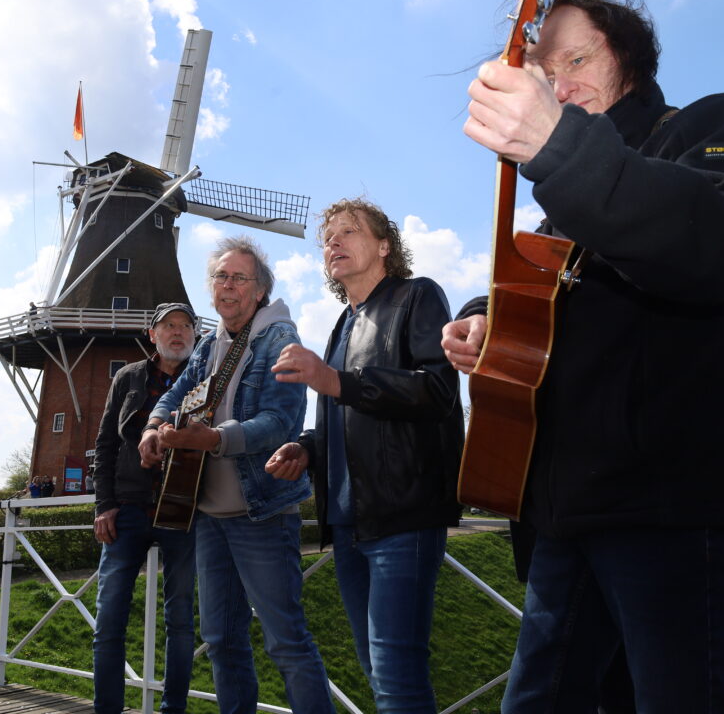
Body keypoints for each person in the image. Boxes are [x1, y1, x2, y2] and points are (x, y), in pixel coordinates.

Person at [442, 0, 724, 712]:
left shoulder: (710, 124)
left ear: (628, 59)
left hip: (668, 510)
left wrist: (559, 147)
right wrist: (484, 321)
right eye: (543, 70)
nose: (557, 86)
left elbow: (721, 245)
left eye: (577, 60)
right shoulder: (562, 200)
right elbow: (540, 292)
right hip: (563, 515)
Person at [265, 198, 464, 712]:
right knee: (376, 669)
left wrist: (334, 381)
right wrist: (307, 447)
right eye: (328, 236)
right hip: (349, 524)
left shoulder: (417, 296)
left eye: (349, 231)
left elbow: (437, 390)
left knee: (397, 675)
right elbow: (342, 413)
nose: (333, 241)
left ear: (384, 246)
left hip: (404, 514)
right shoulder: (340, 325)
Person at [139, 236, 334, 714]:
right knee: (221, 639)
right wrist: (153, 426)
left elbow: (281, 421)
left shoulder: (279, 340)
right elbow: (174, 393)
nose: (227, 286)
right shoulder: (209, 344)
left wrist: (216, 439)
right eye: (220, 277)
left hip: (261, 512)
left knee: (285, 640)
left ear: (260, 290)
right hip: (208, 513)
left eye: (239, 277)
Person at [92, 302, 199, 714]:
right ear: (152, 334)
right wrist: (105, 505)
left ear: (195, 335)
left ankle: (174, 709)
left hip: (182, 509)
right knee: (109, 619)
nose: (178, 332)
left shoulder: (204, 379)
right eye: (169, 326)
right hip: (130, 508)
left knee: (180, 619)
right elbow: (105, 444)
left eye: (186, 326)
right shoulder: (129, 377)